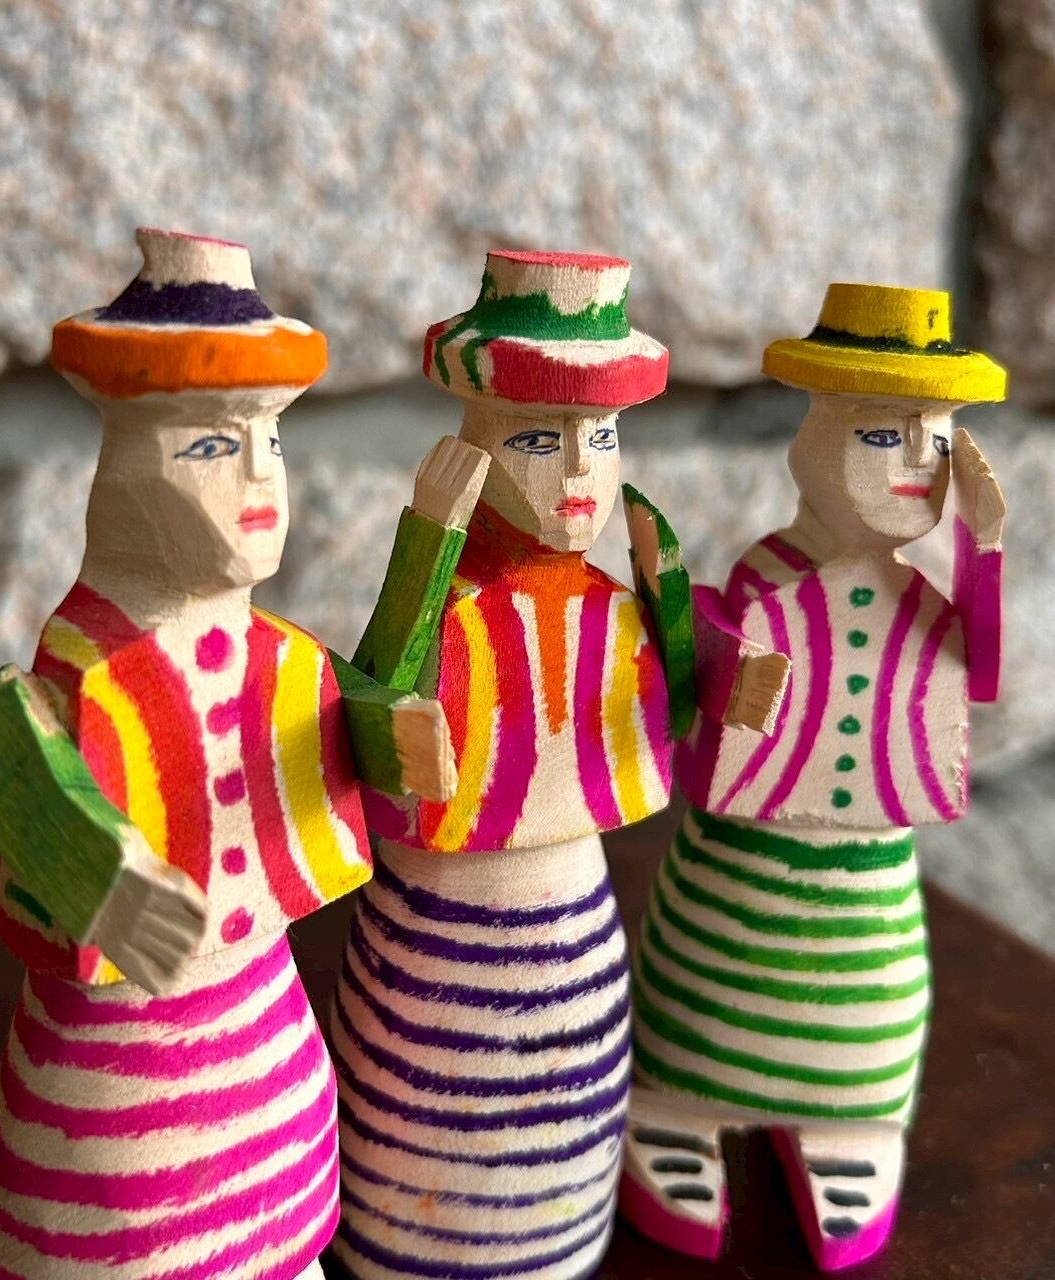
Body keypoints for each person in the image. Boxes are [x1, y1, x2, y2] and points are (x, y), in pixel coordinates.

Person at [0, 228, 454, 1280]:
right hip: (112, 1106)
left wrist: (398, 733)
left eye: (270, 439)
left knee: (284, 1222)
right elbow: (2, 749)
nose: (259, 477)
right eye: (212, 447)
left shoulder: (282, 660)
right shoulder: (83, 672)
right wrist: (104, 872)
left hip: (267, 1049)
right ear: (123, 460)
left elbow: (343, 728)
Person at [329, 249, 783, 1280]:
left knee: (560, 1133)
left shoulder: (619, 614)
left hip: (573, 941)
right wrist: (423, 548)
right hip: (432, 948)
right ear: (466, 451)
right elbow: (371, 718)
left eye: (602, 436)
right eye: (538, 438)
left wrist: (725, 669)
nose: (579, 473)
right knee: (422, 1124)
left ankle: (552, 1243)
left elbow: (678, 684)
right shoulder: (443, 618)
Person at [621, 282, 1007, 1270]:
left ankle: (848, 1126)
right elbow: (698, 654)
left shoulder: (929, 605)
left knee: (862, 1016)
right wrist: (714, 659)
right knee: (702, 995)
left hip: (870, 872)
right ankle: (676, 1108)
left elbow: (980, 671)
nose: (912, 467)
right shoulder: (766, 579)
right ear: (812, 438)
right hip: (736, 865)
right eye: (879, 434)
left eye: (932, 442)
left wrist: (984, 553)